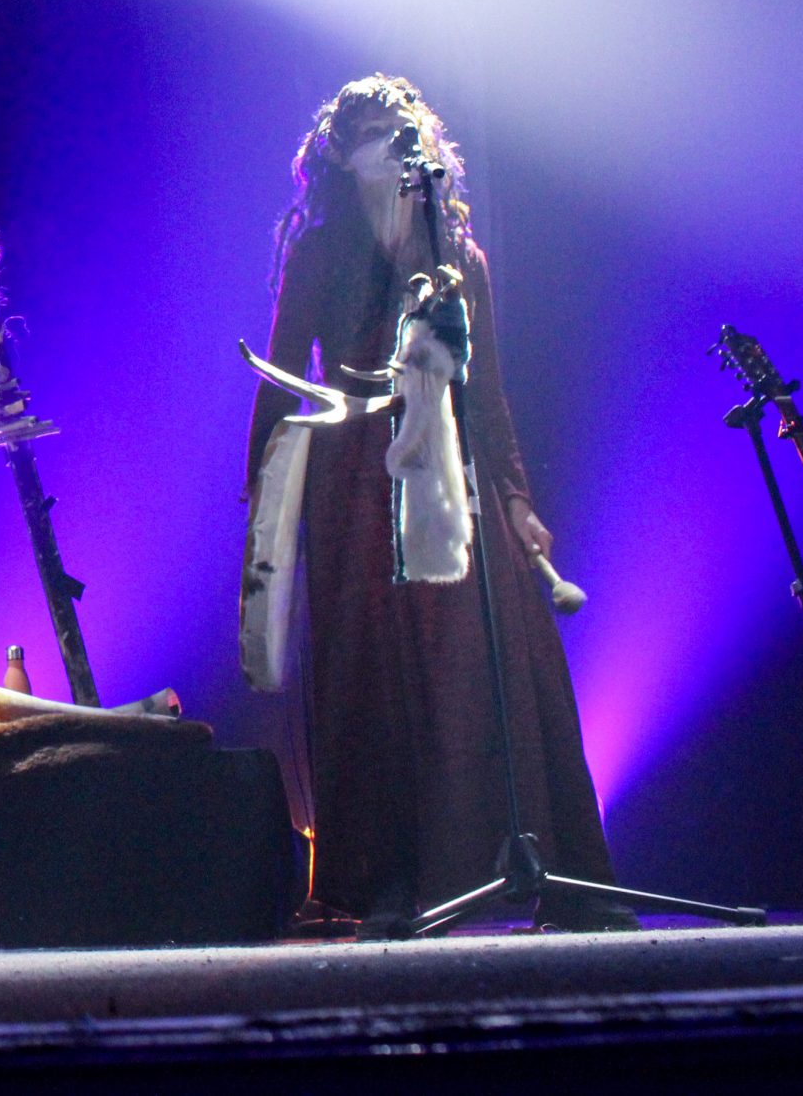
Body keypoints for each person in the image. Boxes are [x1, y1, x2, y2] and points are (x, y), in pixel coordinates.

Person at [246, 75, 617, 934]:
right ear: (342, 157)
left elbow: (486, 397)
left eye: (398, 129)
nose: (387, 146)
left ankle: (522, 867)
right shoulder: (318, 253)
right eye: (369, 134)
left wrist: (516, 498)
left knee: (483, 673)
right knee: (369, 679)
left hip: (449, 475)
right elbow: (281, 375)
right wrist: (264, 493)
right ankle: (385, 879)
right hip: (353, 488)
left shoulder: (457, 258)